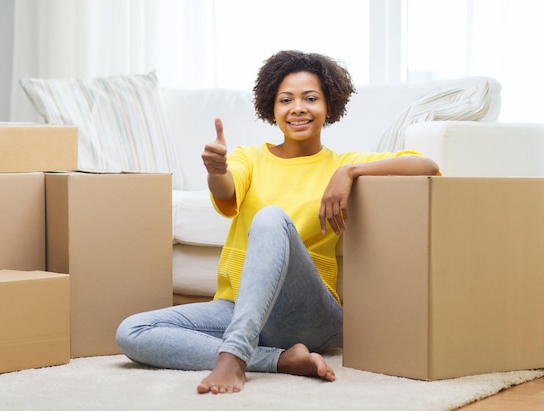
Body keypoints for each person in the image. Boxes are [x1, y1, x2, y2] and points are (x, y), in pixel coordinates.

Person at [116, 50, 440, 394]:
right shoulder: (250, 158)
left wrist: (351, 172)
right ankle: (280, 360)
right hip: (239, 309)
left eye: (310, 99)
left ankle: (234, 358)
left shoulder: (343, 163)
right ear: (272, 108)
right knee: (132, 332)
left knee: (270, 217)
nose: (297, 107)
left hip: (310, 316)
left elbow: (427, 165)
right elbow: (226, 188)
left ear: (329, 106)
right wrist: (216, 171)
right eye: (286, 100)